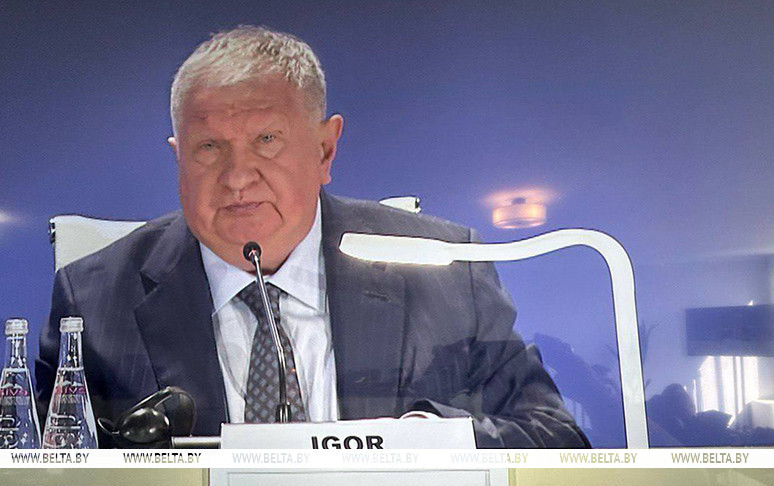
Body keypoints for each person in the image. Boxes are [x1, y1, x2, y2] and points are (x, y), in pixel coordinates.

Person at [36, 26, 589, 448]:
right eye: (208, 148)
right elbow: (38, 458)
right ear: (178, 157)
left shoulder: (443, 271)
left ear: (325, 150)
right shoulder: (94, 299)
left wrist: (426, 443)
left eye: (267, 140)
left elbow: (554, 438)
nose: (237, 177)